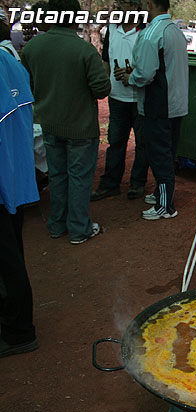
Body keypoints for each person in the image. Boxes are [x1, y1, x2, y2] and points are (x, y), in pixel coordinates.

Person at [22, 0, 111, 245]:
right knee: (79, 178)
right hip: (80, 127)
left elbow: (26, 84)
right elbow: (102, 89)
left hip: (49, 123)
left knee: (57, 176)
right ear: (75, 18)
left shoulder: (33, 47)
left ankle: (57, 224)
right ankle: (79, 229)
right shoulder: (83, 49)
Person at [115, 0, 188, 220]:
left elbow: (145, 75)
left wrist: (130, 77)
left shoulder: (151, 33)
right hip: (176, 103)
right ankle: (161, 194)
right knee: (168, 151)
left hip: (158, 105)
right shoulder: (175, 30)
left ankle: (165, 205)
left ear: (149, 4)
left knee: (159, 155)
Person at [0, 46, 40, 358]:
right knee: (11, 251)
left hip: (6, 180)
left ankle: (18, 331)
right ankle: (16, 324)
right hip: (13, 179)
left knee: (6, 260)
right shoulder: (11, 63)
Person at [91, 0, 149, 201]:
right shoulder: (112, 29)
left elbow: (152, 64)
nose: (128, 7)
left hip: (141, 96)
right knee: (115, 141)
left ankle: (137, 183)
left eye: (133, 3)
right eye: (124, 3)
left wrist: (134, 73)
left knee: (142, 143)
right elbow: (106, 60)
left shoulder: (146, 30)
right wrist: (104, 86)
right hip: (117, 97)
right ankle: (110, 183)